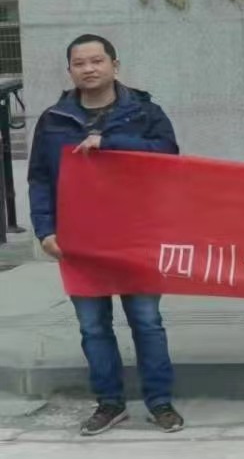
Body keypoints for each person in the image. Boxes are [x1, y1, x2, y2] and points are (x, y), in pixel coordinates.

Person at [27, 34, 183, 437]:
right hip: (80, 239)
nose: (89, 69)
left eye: (97, 61)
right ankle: (109, 403)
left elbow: (168, 154)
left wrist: (111, 142)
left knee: (147, 321)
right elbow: (40, 178)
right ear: (69, 71)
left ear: (115, 65)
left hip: (136, 235)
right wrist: (45, 229)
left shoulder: (144, 112)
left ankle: (160, 402)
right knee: (93, 326)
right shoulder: (53, 119)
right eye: (80, 63)